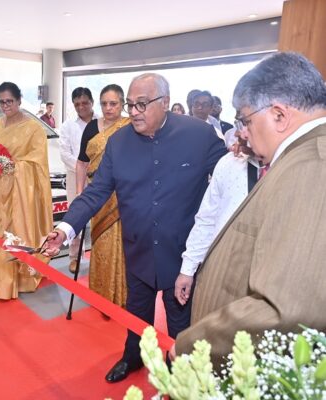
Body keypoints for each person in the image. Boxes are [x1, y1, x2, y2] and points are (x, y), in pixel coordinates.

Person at [43, 73, 227, 383]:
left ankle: (179, 370)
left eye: (142, 104)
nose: (135, 111)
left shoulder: (199, 135)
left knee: (180, 321)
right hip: (138, 249)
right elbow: (96, 191)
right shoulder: (118, 143)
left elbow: (227, 179)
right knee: (135, 313)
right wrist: (65, 229)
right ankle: (133, 356)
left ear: (165, 103)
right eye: (131, 105)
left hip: (181, 255)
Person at [172, 52, 326, 367]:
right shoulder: (300, 158)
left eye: (245, 119)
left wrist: (195, 345)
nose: (241, 131)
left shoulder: (312, 166)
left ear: (280, 115)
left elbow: (286, 309)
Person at [0, 82, 53, 299]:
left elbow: (38, 162)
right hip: (0, 188)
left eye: (9, 101)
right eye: (1, 101)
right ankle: (1, 282)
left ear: (19, 100)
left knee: (17, 233)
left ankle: (21, 280)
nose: (5, 105)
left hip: (22, 191)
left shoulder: (34, 128)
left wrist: (13, 166)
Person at [174, 148, 265, 306]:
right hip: (222, 269)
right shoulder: (231, 162)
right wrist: (187, 269)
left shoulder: (296, 168)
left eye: (248, 122)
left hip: (268, 278)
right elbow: (207, 219)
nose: (240, 133)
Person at [76, 84, 130, 308]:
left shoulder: (129, 126)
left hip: (125, 195)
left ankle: (123, 294)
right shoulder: (91, 127)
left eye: (113, 103)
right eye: (104, 104)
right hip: (99, 194)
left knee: (125, 245)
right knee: (101, 242)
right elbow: (82, 162)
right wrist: (80, 194)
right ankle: (101, 293)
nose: (109, 108)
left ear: (122, 104)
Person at [59, 87, 96, 272]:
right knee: (76, 217)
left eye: (85, 103)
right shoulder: (67, 126)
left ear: (92, 102)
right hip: (75, 176)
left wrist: (95, 168)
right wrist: (83, 166)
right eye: (77, 104)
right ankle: (74, 257)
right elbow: (65, 154)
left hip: (101, 177)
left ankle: (99, 256)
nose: (81, 107)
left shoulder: (102, 123)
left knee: (101, 218)